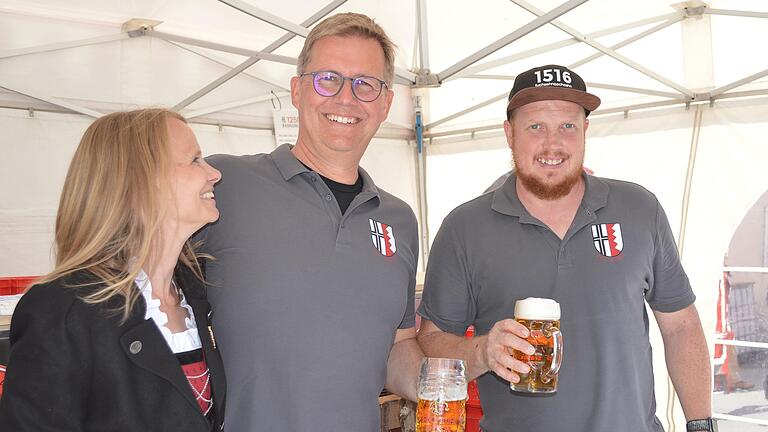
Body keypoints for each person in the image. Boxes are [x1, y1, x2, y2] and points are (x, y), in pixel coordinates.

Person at [416, 65, 714, 432]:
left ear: (585, 130)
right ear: (509, 134)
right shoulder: (464, 227)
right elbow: (430, 341)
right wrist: (481, 352)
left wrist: (701, 425)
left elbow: (681, 326)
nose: (552, 144)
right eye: (535, 126)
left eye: (567, 126)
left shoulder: (639, 209)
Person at [195, 12, 423, 432]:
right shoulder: (224, 183)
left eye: (365, 84)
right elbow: (137, 288)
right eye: (328, 79)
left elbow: (397, 345)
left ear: (386, 103)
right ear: (298, 90)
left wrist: (459, 369)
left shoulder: (399, 220)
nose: (346, 99)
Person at [0, 109, 226, 431]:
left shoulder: (197, 291)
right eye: (194, 160)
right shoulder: (64, 310)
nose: (214, 172)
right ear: (141, 182)